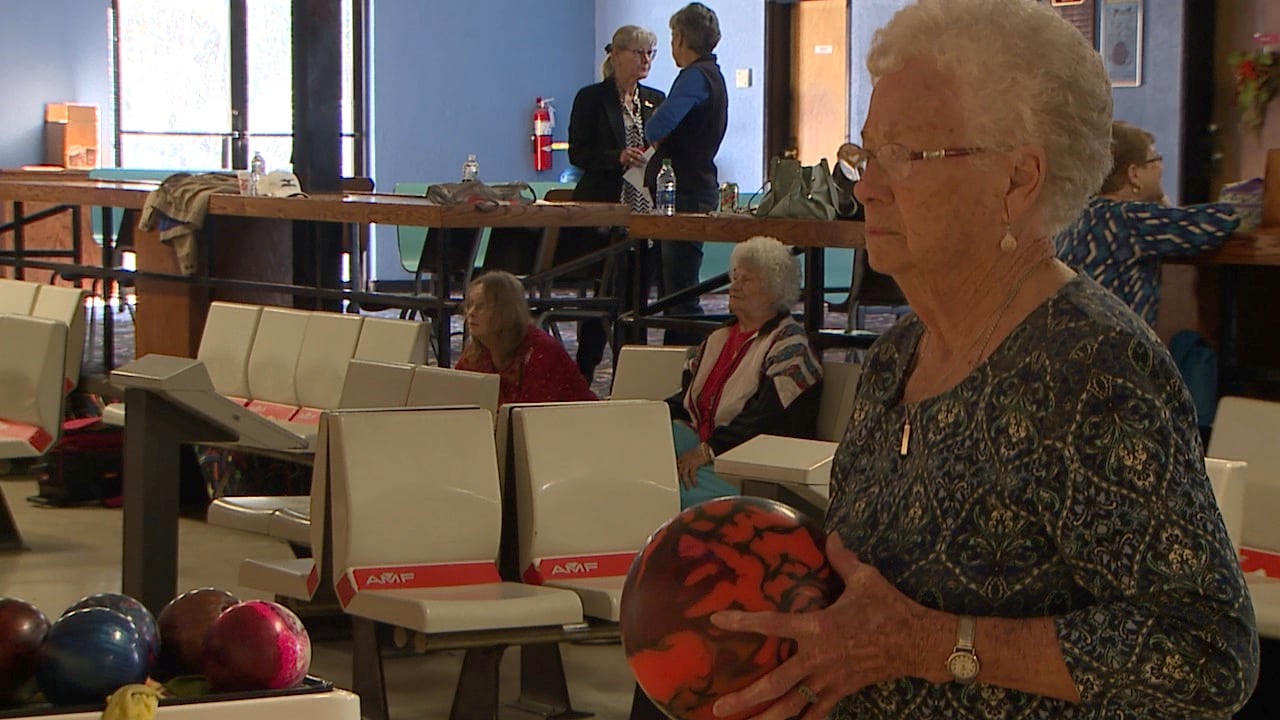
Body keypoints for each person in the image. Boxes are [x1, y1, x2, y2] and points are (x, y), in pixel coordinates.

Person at [706, 1, 1257, 718]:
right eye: (864, 153)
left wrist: (930, 645)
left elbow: (1207, 653)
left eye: (904, 154)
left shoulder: (1090, 367)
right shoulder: (897, 356)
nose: (867, 185)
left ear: (1018, 181)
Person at [666, 236, 822, 509]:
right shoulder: (718, 338)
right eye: (734, 277)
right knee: (642, 439)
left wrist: (705, 452)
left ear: (775, 290)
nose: (733, 287)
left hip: (751, 467)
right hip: (705, 448)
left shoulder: (790, 346)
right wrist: (644, 417)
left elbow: (764, 419)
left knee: (658, 488)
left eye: (746, 280)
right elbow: (687, 401)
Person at [1056, 120, 1239, 327]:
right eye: (1155, 158)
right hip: (1113, 351)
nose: (1161, 167)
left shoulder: (1077, 216)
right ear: (1134, 174)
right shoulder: (1128, 220)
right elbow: (1220, 221)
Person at [566, 25, 667, 380]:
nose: (646, 61)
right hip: (604, 207)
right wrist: (617, 157)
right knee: (605, 290)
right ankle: (586, 369)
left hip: (645, 205)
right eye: (639, 53)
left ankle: (633, 373)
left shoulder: (655, 99)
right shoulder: (591, 98)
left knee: (638, 292)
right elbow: (578, 153)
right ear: (616, 55)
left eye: (651, 54)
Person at [645, 2, 728, 346]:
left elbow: (658, 125)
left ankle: (682, 365)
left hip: (683, 192)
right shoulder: (715, 75)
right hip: (700, 184)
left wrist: (654, 123)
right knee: (680, 289)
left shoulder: (694, 77)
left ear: (679, 38)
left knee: (679, 295)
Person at [454, 271, 597, 406]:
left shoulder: (541, 351)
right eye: (469, 306)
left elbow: (529, 418)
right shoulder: (476, 353)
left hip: (576, 426)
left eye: (481, 306)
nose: (470, 313)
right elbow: (456, 399)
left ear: (506, 311)